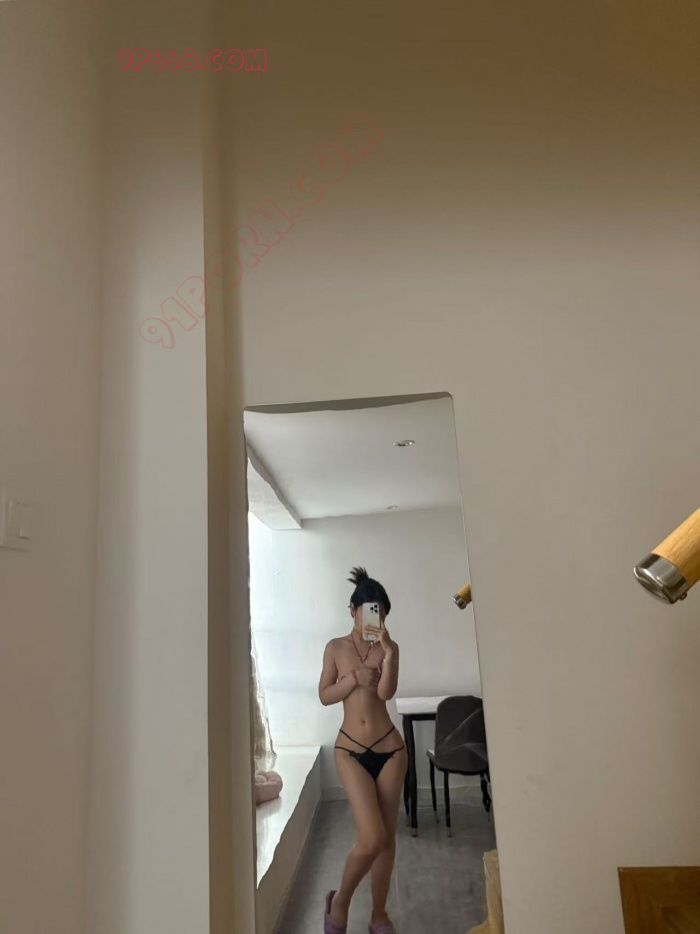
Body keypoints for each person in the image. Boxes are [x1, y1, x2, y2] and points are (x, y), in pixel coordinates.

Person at [319, 567, 407, 934]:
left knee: (386, 839)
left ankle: (379, 914)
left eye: (380, 612)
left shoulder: (388, 648)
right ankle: (340, 901)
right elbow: (325, 695)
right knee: (372, 837)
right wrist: (354, 678)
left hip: (391, 750)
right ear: (352, 610)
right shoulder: (336, 648)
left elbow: (386, 693)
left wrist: (388, 655)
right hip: (350, 751)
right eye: (368, 610)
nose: (374, 618)